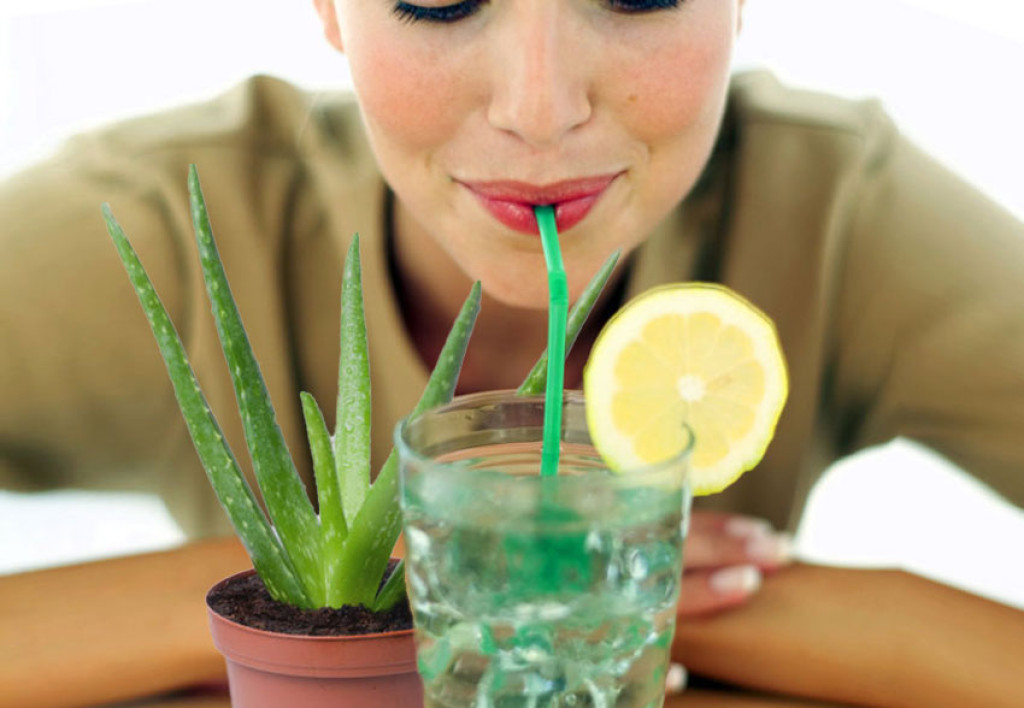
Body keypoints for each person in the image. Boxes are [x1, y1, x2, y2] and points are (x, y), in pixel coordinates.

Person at [1, 1, 1023, 706]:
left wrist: (646, 601)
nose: (539, 111)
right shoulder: (168, 226)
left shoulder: (838, 212)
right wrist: (310, 599)